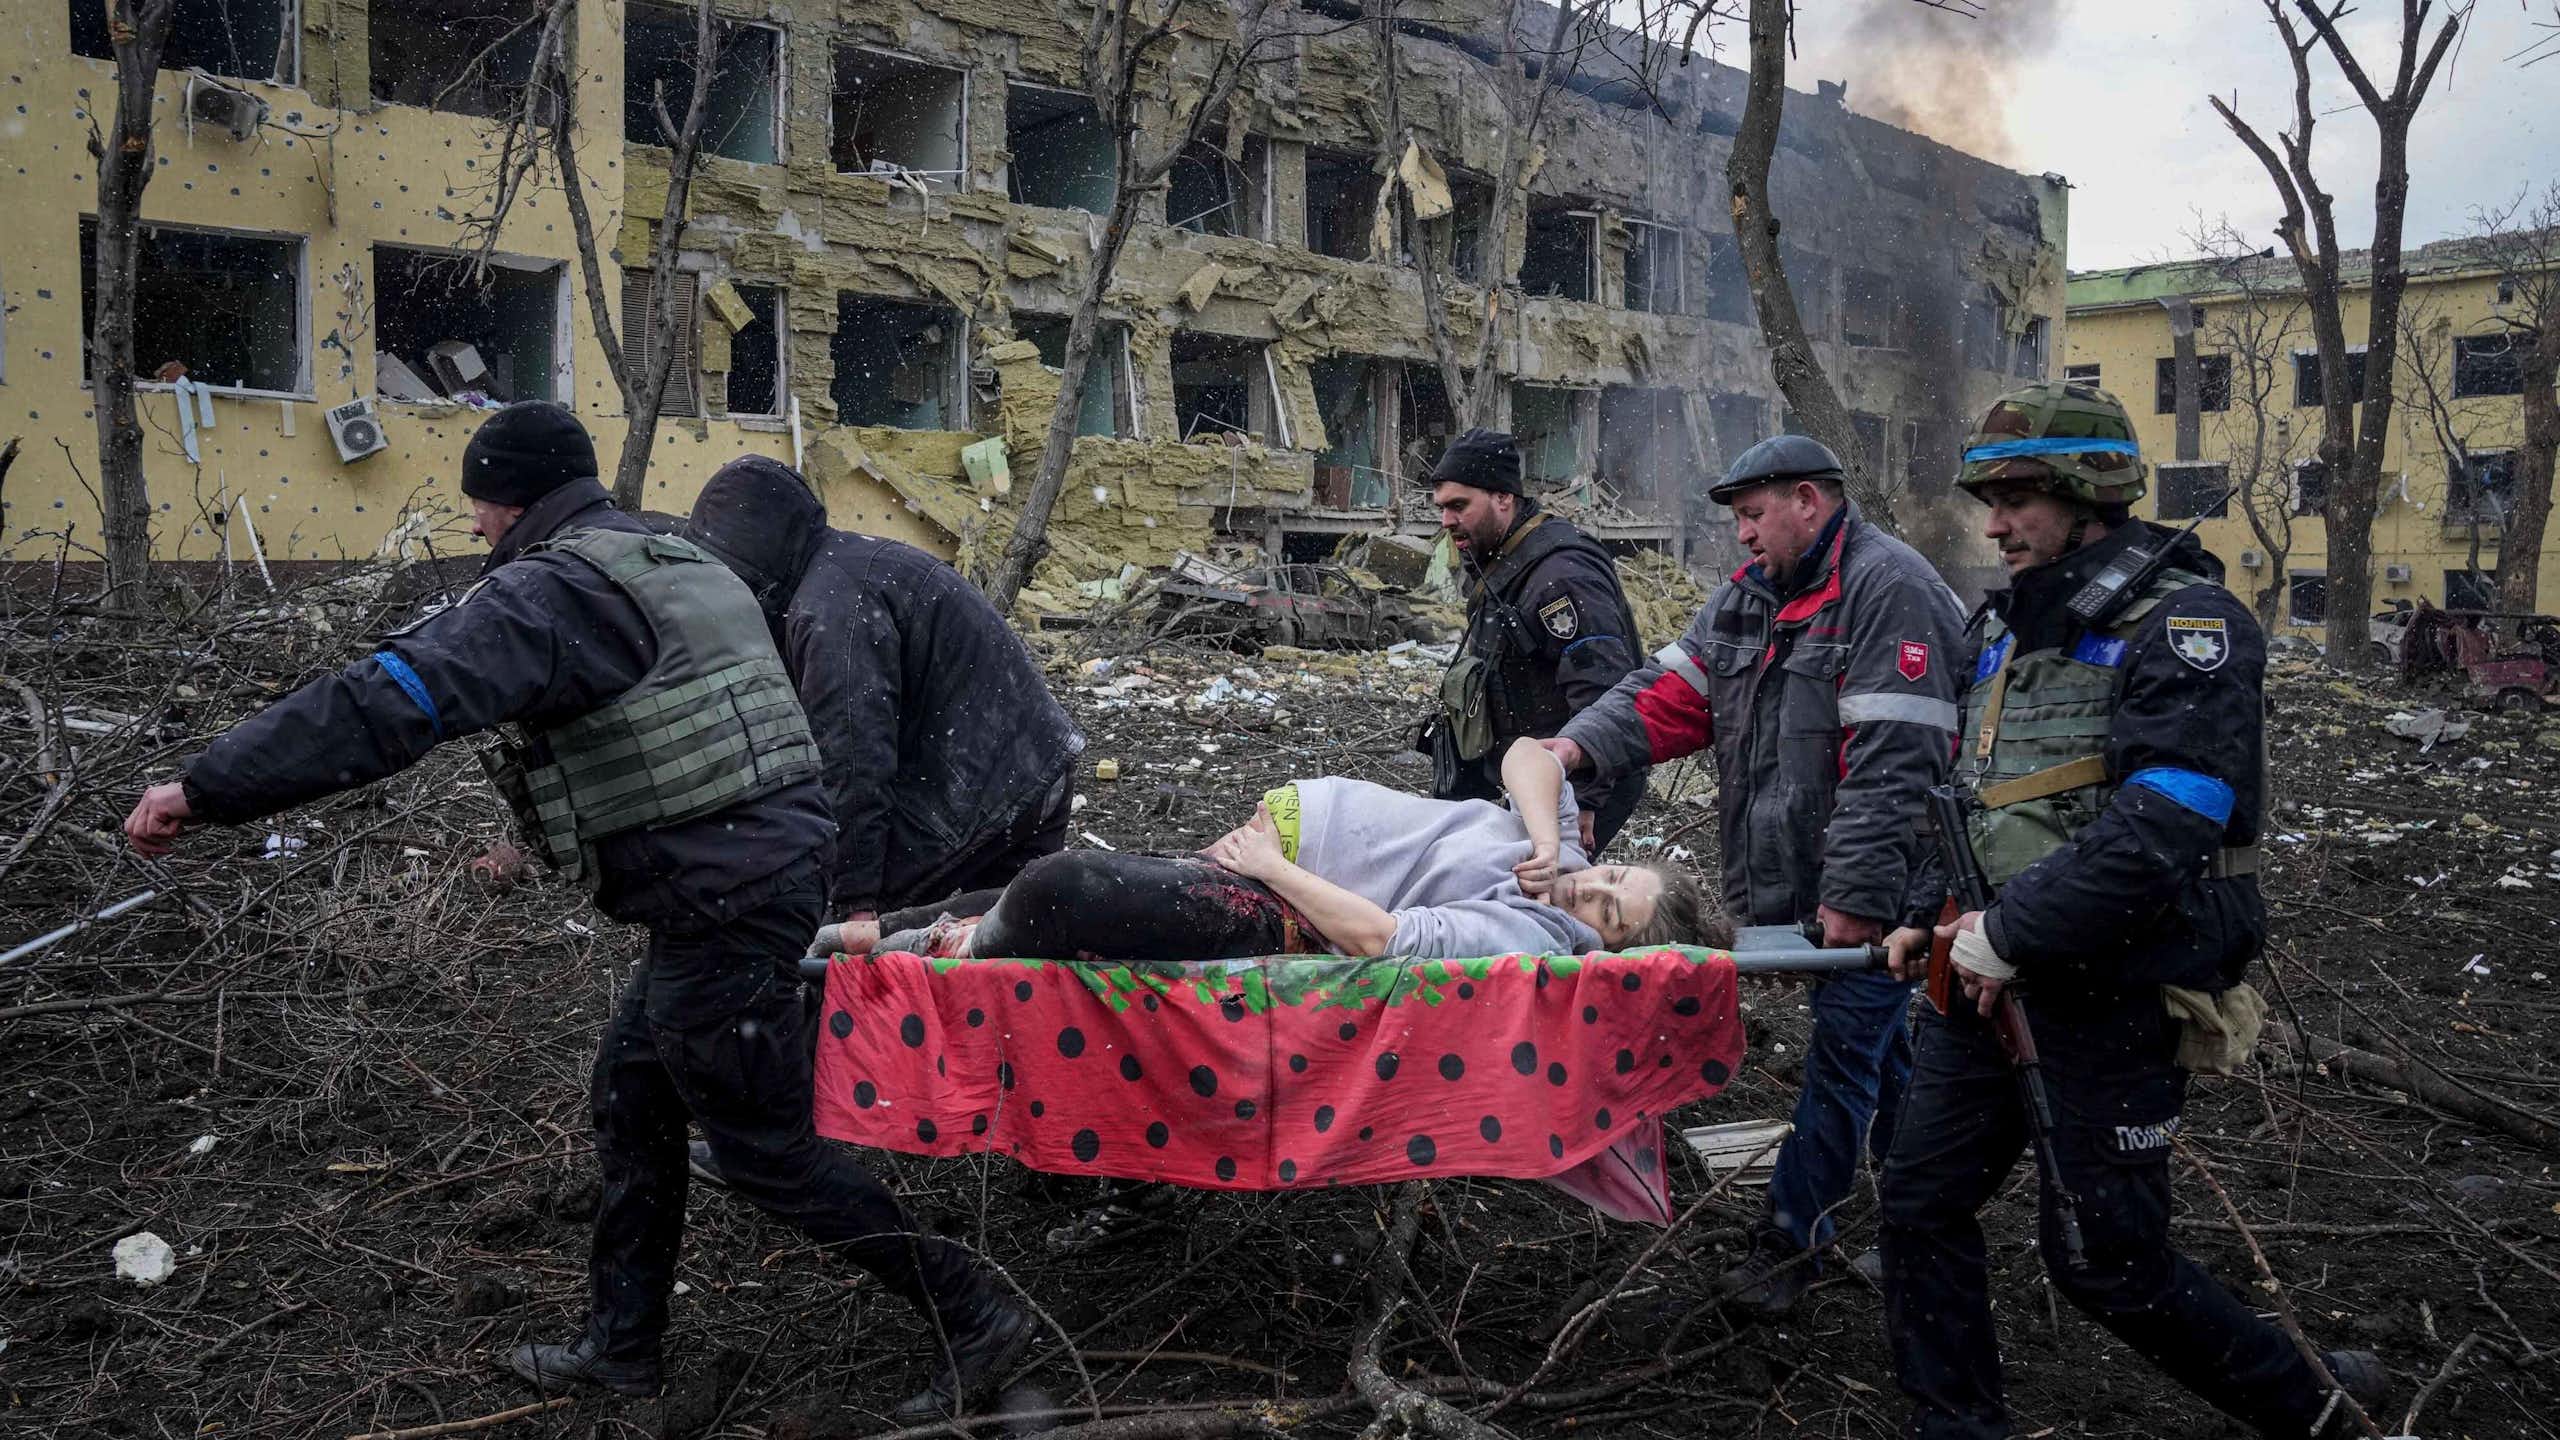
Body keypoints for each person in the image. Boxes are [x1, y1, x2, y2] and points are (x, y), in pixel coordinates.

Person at [121, 402, 1031, 1422]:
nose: (472, 530)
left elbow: (389, 702)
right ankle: (620, 1349)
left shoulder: (550, 595)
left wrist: (207, 788)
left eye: (476, 507)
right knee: (633, 1097)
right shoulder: (663, 550)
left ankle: (973, 1312)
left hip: (726, 893)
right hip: (748, 874)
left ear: (505, 502)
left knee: (762, 1147)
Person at [1875, 382, 2384, 1438]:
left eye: (2017, 496)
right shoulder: (2007, 627)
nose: (1995, 521)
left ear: (2087, 493)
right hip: (1979, 980)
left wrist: (2009, 934)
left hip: (2105, 987)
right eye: (1989, 498)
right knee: (1918, 1204)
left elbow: (2173, 814)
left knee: (2105, 1261)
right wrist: (1930, 912)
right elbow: (1979, 793)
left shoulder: (2186, 624)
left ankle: (2318, 1411)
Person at [1543, 434, 1965, 1316]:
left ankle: (1790, 1243)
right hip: (1797, 880)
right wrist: (1576, 748)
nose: (1740, 535)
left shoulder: (1892, 592)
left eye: (1752, 515)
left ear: (1809, 500)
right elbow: (1666, 695)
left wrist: (1854, 898)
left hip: (1883, 887)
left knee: (1846, 1053)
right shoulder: (1748, 600)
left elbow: (1897, 766)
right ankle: (1922, 1208)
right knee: (1877, 1048)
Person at [682, 455, 1082, 944]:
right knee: (1001, 948)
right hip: (1030, 768)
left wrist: (853, 902)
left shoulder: (828, 609)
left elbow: (852, 757)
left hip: (985, 786)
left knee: (826, 934)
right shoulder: (841, 571)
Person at [858, 739, 1717, 963]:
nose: (1586, 894)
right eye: (1610, 877)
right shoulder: (1555, 856)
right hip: (1277, 853)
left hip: (1284, 903)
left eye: (1607, 914)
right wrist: (1544, 837)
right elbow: (1531, 754)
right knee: (1071, 892)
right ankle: (871, 931)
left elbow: (1384, 939)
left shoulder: (1532, 938)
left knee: (1066, 888)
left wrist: (1273, 869)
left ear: (1609, 952)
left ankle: (911, 951)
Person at [1419, 429, 1646, 853]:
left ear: (1504, 498)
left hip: (1572, 779)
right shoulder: (1503, 560)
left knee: (1548, 898)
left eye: (1459, 506)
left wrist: (1584, 797)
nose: (1446, 521)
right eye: (1442, 508)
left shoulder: (1561, 576)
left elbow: (1603, 692)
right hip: (1530, 773)